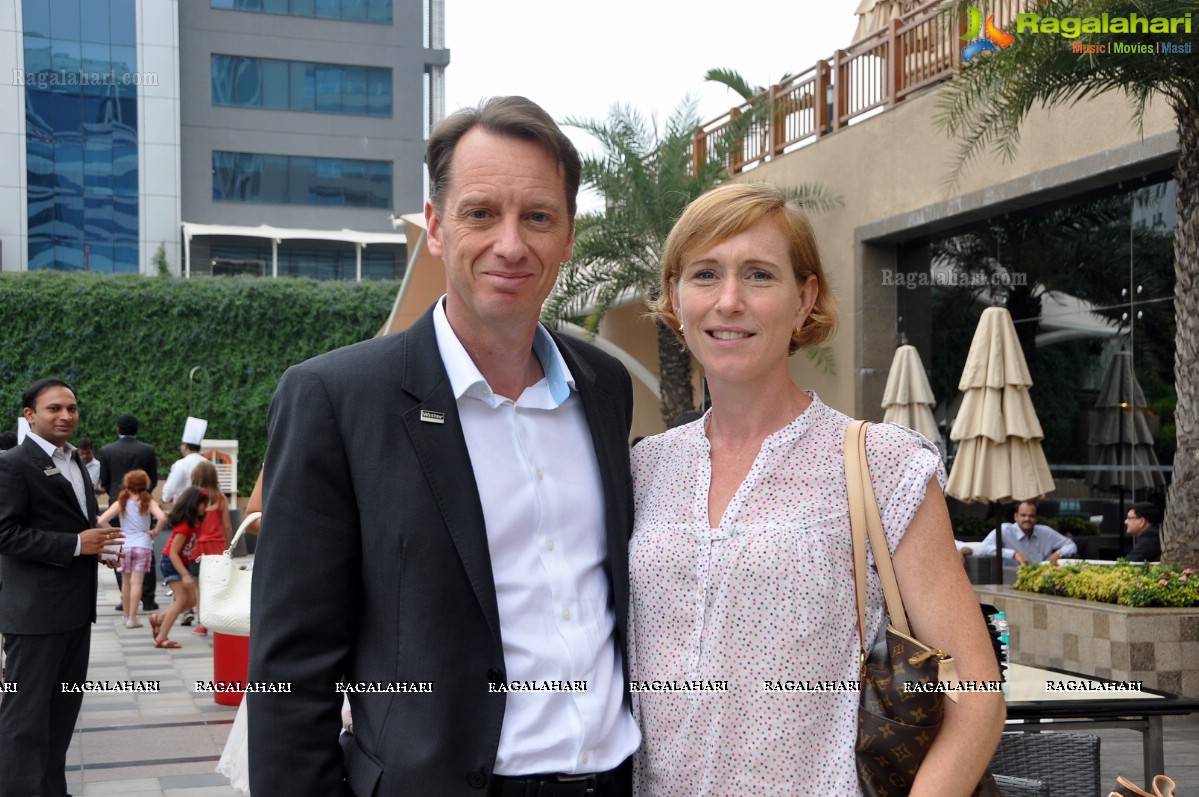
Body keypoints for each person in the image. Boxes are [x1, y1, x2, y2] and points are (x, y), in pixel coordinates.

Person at [248, 96, 639, 796]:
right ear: (435, 225)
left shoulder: (604, 386)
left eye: (538, 217)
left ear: (568, 236)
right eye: (481, 212)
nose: (511, 244)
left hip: (614, 780)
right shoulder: (337, 399)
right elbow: (290, 668)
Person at [629, 184, 1004, 794]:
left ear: (804, 300)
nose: (730, 301)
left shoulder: (881, 463)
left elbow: (976, 694)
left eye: (758, 275)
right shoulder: (645, 471)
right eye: (704, 274)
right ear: (675, 298)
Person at [0, 378, 121, 796]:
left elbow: (71, 525)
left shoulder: (75, 463)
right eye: (54, 409)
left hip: (74, 612)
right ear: (30, 415)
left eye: (71, 407)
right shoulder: (13, 463)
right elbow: (4, 533)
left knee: (61, 716)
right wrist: (74, 544)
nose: (65, 415)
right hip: (34, 617)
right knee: (24, 721)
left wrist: (94, 547)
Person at [100, 413, 162, 610]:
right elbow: (153, 477)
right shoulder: (147, 450)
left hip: (117, 503)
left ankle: (124, 600)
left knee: (120, 552)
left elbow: (105, 481)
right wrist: (143, 497)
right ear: (136, 430)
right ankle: (148, 598)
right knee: (146, 553)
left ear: (118, 430)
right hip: (143, 504)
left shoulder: (107, 451)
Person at [97, 469, 167, 628]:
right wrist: (155, 531)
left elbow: (102, 520)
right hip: (143, 545)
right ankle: (132, 619)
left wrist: (116, 535)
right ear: (145, 485)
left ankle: (125, 615)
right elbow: (162, 517)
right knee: (137, 583)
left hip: (125, 545)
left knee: (126, 583)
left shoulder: (121, 501)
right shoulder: (148, 501)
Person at [150, 486, 207, 649]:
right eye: (203, 504)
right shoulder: (185, 526)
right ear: (193, 504)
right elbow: (173, 553)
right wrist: (185, 575)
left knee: (192, 600)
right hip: (171, 562)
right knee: (182, 599)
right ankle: (161, 637)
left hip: (182, 563)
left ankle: (159, 619)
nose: (205, 507)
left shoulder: (196, 521)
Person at [187, 460, 232, 635]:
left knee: (198, 587)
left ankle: (202, 623)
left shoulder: (192, 499)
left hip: (197, 548)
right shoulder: (221, 499)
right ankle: (219, 621)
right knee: (216, 586)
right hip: (217, 547)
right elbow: (227, 526)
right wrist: (228, 547)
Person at [975, 501, 1077, 565]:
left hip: (1043, 578)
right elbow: (983, 549)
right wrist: (1014, 554)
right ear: (1016, 516)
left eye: (1031, 516)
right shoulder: (1005, 530)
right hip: (1013, 578)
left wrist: (1058, 553)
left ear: (1036, 518)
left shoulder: (1045, 532)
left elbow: (1071, 545)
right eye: (1023, 515)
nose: (1027, 519)